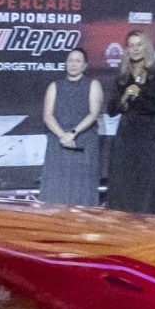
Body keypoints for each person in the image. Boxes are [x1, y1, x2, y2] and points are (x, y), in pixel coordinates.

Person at [104, 30, 155, 215]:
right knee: (122, 181)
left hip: (147, 135)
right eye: (131, 45)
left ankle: (148, 222)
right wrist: (125, 96)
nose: (135, 49)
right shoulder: (123, 75)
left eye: (139, 44)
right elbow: (111, 109)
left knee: (146, 181)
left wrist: (138, 94)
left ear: (146, 46)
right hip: (125, 136)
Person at [37, 46, 105, 206]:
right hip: (59, 142)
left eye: (78, 61)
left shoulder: (93, 85)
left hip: (83, 142)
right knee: (55, 190)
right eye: (70, 61)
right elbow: (47, 115)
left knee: (82, 190)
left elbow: (94, 114)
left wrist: (73, 133)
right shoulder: (55, 86)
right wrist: (63, 135)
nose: (73, 64)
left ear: (85, 65)